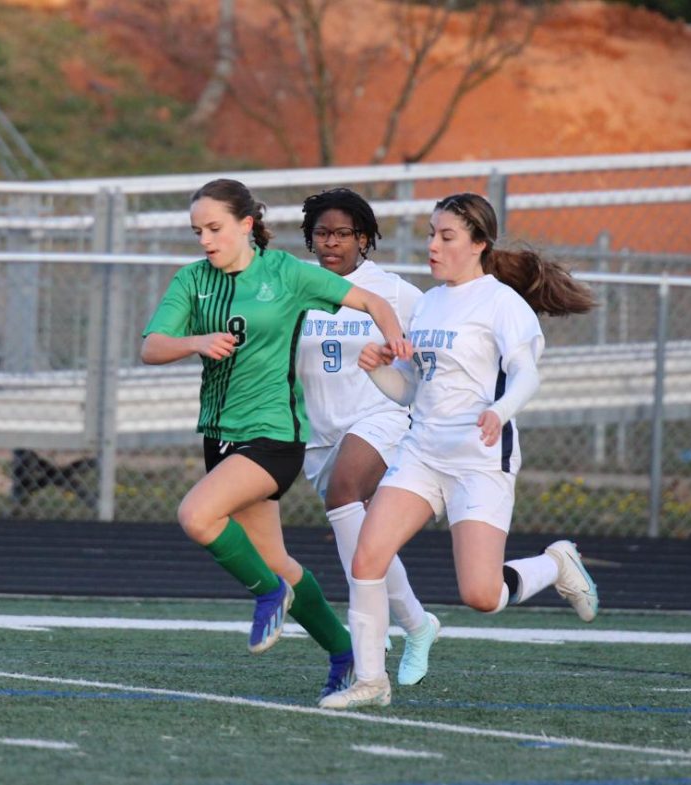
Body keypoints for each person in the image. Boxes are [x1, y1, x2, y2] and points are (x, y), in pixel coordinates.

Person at [318, 192, 600, 710]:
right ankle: (370, 681)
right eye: (431, 233)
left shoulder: (502, 304)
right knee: (367, 557)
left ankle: (556, 564)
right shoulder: (428, 303)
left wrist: (500, 411)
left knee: (481, 595)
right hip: (422, 453)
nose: (433, 245)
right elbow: (409, 389)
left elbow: (526, 374)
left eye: (446, 236)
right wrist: (378, 366)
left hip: (478, 460)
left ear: (478, 244)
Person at [140, 178, 412, 704]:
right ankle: (343, 651)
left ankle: (269, 595)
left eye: (215, 228)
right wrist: (195, 341)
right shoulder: (192, 280)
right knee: (277, 557)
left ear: (246, 224)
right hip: (220, 436)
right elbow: (153, 347)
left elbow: (374, 302)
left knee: (197, 516)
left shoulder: (286, 273)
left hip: (274, 436)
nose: (206, 240)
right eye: (198, 231)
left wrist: (393, 338)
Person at [295, 188, 440, 687]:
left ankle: (370, 623)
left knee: (345, 493)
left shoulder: (394, 291)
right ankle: (418, 624)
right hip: (318, 430)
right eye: (321, 233)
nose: (330, 242)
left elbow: (432, 342)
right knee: (366, 536)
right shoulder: (298, 285)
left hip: (380, 416)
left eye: (341, 233)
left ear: (363, 238)